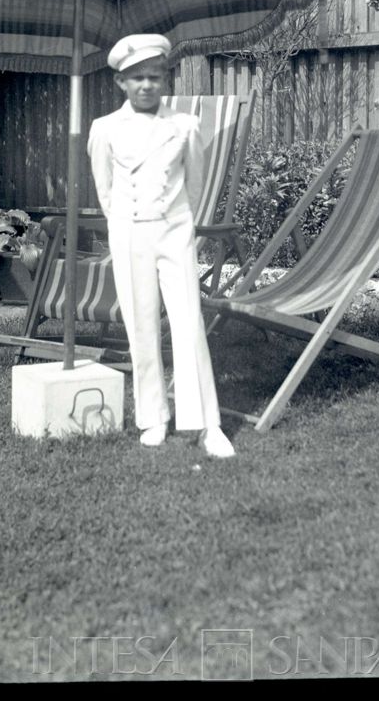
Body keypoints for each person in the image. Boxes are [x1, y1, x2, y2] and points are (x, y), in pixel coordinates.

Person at [87, 34, 235, 458]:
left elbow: (195, 185)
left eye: (154, 77)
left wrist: (179, 224)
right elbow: (106, 189)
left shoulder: (184, 126)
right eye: (137, 79)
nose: (147, 85)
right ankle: (154, 416)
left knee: (188, 323)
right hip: (131, 233)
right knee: (141, 325)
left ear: (166, 78)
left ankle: (208, 424)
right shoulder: (105, 129)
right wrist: (126, 227)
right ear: (121, 82)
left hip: (174, 232)